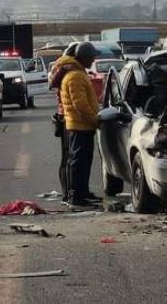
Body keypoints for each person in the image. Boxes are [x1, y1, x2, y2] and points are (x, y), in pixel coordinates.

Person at [59, 42, 101, 211]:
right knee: (78, 162)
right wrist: (95, 120)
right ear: (84, 58)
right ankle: (77, 196)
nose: (93, 60)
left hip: (81, 125)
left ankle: (83, 193)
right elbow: (80, 104)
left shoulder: (78, 73)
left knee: (83, 162)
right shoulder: (75, 76)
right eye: (91, 57)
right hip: (79, 126)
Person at [49, 44, 77, 205]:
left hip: (63, 114)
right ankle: (68, 193)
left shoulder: (62, 66)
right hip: (65, 116)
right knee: (68, 157)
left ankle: (69, 192)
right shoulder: (66, 68)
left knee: (67, 156)